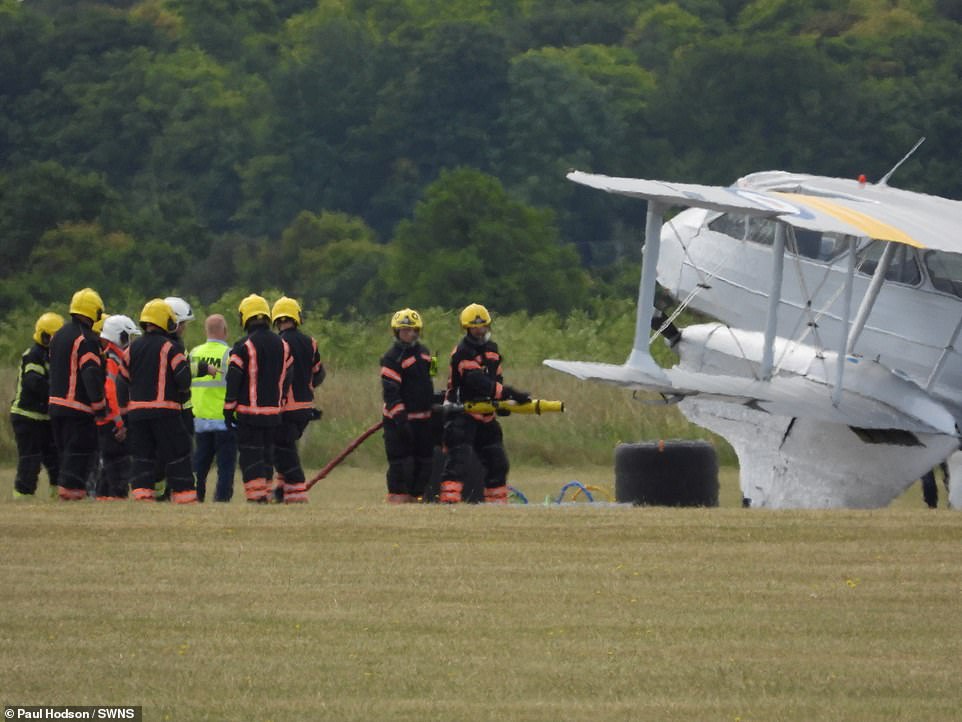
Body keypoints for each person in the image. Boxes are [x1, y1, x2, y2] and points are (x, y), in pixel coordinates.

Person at [439, 303, 530, 504]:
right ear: (467, 328)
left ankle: (496, 504)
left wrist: (504, 402)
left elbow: (496, 379)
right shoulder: (462, 352)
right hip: (462, 414)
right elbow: (477, 382)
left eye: (483, 326)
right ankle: (449, 504)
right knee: (459, 462)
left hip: (486, 415)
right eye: (475, 327)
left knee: (498, 462)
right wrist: (509, 393)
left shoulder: (492, 350)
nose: (480, 331)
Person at [124, 299, 198, 504]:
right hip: (166, 412)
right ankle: (185, 497)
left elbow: (122, 380)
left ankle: (143, 497)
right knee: (177, 454)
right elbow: (183, 380)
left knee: (143, 458)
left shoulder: (131, 348)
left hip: (137, 414)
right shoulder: (171, 348)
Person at [224, 294, 291, 503]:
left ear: (245, 317)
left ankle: (256, 497)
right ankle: (267, 493)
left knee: (251, 455)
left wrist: (228, 408)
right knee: (267, 456)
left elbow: (234, 377)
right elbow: (289, 375)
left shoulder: (243, 345)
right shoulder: (282, 345)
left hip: (249, 413)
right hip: (273, 414)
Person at [48, 288, 107, 500]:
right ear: (95, 312)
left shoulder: (58, 336)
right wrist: (100, 406)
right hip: (78, 409)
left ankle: (67, 495)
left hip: (55, 405)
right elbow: (91, 373)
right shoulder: (86, 339)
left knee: (66, 454)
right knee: (79, 455)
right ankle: (71, 496)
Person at [270, 296, 324, 504]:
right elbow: (318, 373)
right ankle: (281, 491)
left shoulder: (279, 343)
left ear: (276, 320)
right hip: (305, 408)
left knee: (282, 450)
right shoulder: (310, 342)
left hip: (285, 408)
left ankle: (297, 494)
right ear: (297, 317)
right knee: (286, 448)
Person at [379, 308, 436, 503]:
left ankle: (415, 501)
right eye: (405, 330)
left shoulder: (426, 353)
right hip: (400, 422)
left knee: (424, 464)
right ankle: (397, 502)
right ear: (397, 332)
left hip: (423, 420)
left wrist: (435, 402)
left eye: (414, 330)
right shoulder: (392, 357)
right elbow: (390, 391)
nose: (410, 334)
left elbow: (430, 380)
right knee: (402, 465)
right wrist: (400, 419)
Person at [10, 312, 64, 498]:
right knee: (30, 461)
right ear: (43, 335)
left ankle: (58, 495)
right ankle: (23, 497)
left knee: (55, 460)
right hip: (26, 416)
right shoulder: (33, 355)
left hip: (45, 418)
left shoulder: (53, 357)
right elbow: (34, 383)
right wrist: (57, 393)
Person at [189, 314, 237, 502]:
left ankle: (195, 496)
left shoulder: (194, 353)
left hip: (199, 419)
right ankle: (222, 500)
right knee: (225, 467)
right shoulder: (230, 354)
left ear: (205, 331)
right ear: (225, 332)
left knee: (199, 466)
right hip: (224, 420)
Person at [94, 314, 141, 500]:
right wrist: (119, 422)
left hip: (104, 420)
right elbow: (110, 392)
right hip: (111, 421)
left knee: (108, 467)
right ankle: (116, 499)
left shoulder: (107, 357)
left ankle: (103, 498)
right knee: (119, 466)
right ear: (120, 336)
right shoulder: (112, 361)